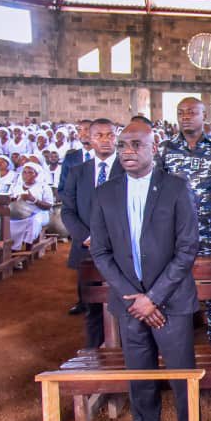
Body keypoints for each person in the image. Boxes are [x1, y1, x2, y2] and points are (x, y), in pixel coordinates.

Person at [89, 120, 200, 421]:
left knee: (182, 377)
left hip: (171, 303)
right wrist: (134, 298)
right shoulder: (106, 193)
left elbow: (187, 248)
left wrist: (154, 297)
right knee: (141, 378)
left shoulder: (176, 188)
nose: (127, 151)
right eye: (123, 145)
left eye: (136, 145)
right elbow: (101, 253)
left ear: (155, 148)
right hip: (130, 307)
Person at [159, 97, 211, 345]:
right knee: (174, 288)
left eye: (192, 112)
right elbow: (157, 195)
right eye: (181, 112)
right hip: (174, 235)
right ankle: (178, 346)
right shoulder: (166, 149)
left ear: (204, 117)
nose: (186, 116)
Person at [60, 118, 123, 343]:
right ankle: (94, 351)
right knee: (92, 305)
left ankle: (126, 353)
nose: (105, 140)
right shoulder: (78, 172)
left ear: (117, 137)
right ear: (90, 138)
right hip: (87, 249)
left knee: (125, 302)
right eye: (99, 135)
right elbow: (67, 211)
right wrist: (87, 237)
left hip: (121, 249)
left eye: (110, 135)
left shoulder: (128, 168)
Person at [8, 162, 54, 251]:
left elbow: (48, 206)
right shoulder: (15, 186)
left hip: (38, 213)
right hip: (18, 213)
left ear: (36, 174)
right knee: (6, 222)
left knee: (33, 221)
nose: (26, 175)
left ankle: (28, 250)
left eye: (30, 172)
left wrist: (33, 199)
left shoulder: (43, 187)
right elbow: (9, 199)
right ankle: (13, 248)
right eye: (24, 172)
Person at [58, 119, 93, 193]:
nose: (82, 133)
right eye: (79, 130)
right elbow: (63, 187)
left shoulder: (104, 156)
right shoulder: (70, 158)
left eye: (86, 129)